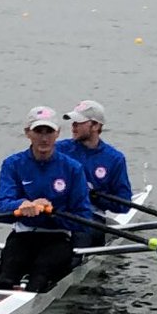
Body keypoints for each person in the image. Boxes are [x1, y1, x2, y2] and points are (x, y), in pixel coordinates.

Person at [0, 105, 92, 292]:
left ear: (57, 133)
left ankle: (33, 287)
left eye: (49, 132)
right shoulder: (12, 164)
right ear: (27, 133)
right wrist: (22, 205)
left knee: (39, 279)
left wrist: (52, 213)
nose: (44, 138)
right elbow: (1, 209)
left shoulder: (73, 169)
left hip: (57, 238)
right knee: (5, 279)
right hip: (22, 237)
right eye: (38, 131)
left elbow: (84, 218)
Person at [56, 100, 134, 247]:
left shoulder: (114, 159)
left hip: (91, 217)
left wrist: (94, 196)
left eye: (79, 122)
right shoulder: (58, 150)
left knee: (80, 232)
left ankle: (74, 258)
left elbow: (124, 204)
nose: (73, 126)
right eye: (73, 122)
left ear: (96, 126)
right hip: (59, 212)